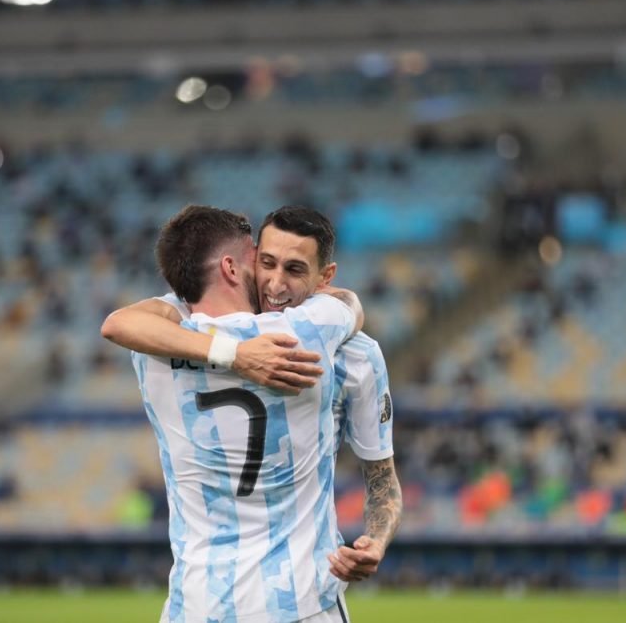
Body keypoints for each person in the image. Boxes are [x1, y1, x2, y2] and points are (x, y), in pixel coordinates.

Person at [103, 206, 402, 586]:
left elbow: (118, 323)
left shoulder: (165, 335)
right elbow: (347, 305)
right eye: (265, 263)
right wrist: (239, 354)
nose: (275, 284)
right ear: (238, 265)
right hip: (302, 596)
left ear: (323, 276)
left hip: (198, 595)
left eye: (294, 270)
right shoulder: (338, 340)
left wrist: (376, 540)